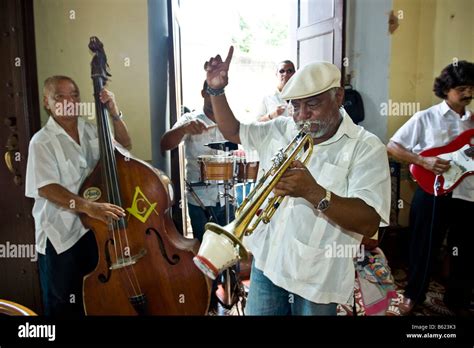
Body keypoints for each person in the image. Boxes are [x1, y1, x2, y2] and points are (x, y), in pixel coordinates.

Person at [203, 46, 391, 315]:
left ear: (338, 97)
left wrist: (315, 193)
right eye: (295, 106)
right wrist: (216, 91)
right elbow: (233, 130)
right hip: (268, 265)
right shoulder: (283, 127)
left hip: (318, 278)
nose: (301, 116)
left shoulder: (366, 147)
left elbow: (370, 220)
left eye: (312, 105)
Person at [25, 76, 132, 316]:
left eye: (74, 95)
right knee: (63, 304)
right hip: (60, 236)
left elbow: (126, 149)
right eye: (59, 97)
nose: (68, 102)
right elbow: (46, 187)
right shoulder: (41, 142)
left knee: (92, 297)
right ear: (47, 102)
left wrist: (114, 113)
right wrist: (89, 207)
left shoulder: (91, 129)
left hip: (92, 231)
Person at [387, 60, 474, 317]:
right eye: (461, 88)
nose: (467, 93)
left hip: (468, 194)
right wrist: (422, 160)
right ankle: (413, 295)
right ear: (446, 89)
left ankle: (458, 299)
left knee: (465, 250)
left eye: (471, 87)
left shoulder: (472, 123)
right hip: (433, 192)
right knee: (424, 247)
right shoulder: (425, 118)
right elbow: (393, 145)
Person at [160, 81, 235, 243]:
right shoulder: (190, 119)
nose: (214, 97)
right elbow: (165, 144)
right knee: (204, 249)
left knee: (228, 249)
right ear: (203, 93)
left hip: (227, 197)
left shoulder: (229, 120)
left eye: (218, 92)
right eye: (210, 92)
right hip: (199, 199)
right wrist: (183, 129)